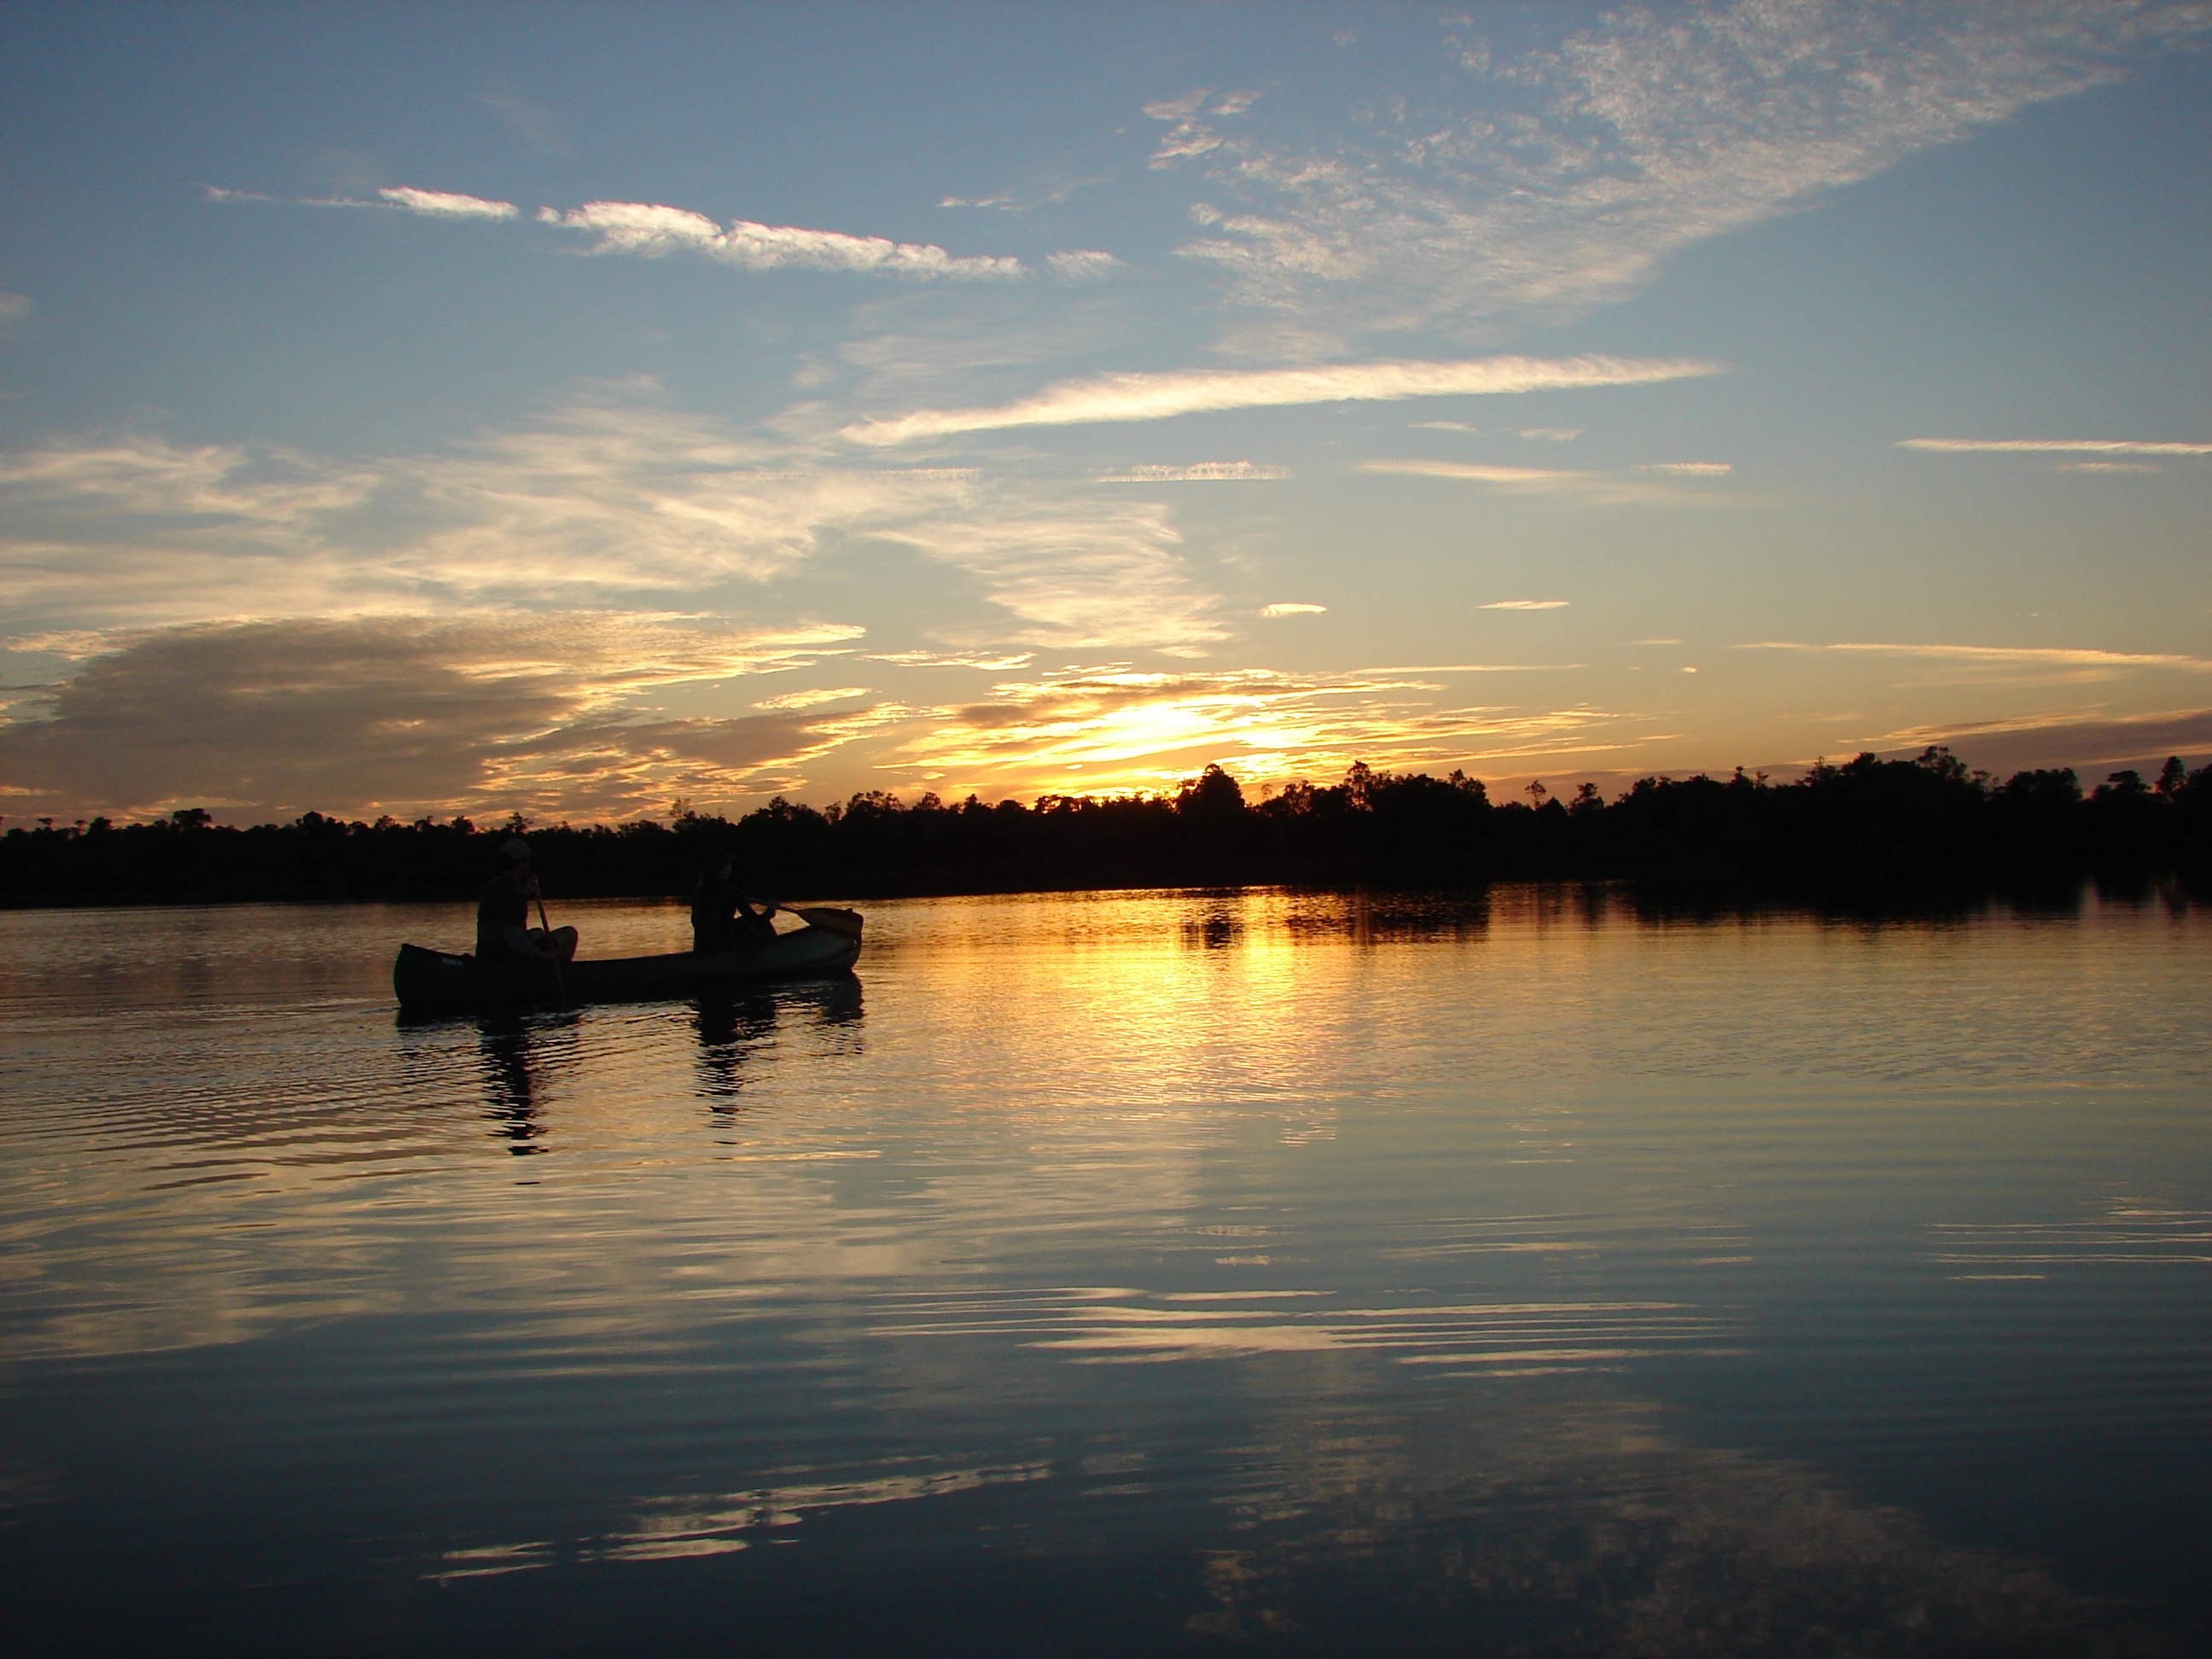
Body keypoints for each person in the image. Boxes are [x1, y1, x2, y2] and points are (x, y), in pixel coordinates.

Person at [475, 838, 578, 963]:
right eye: (527, 860)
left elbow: (504, 915)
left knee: (538, 933)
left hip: (490, 951)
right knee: (570, 934)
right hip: (507, 956)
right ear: (522, 863)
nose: (529, 863)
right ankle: (563, 971)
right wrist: (540, 954)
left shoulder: (494, 885)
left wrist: (524, 894)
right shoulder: (512, 893)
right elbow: (513, 936)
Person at [691, 850, 777, 954]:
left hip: (703, 946)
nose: (730, 867)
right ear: (723, 868)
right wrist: (771, 909)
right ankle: (773, 954)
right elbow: (756, 922)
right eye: (728, 864)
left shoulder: (698, 891)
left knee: (742, 922)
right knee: (764, 925)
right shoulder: (732, 891)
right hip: (725, 946)